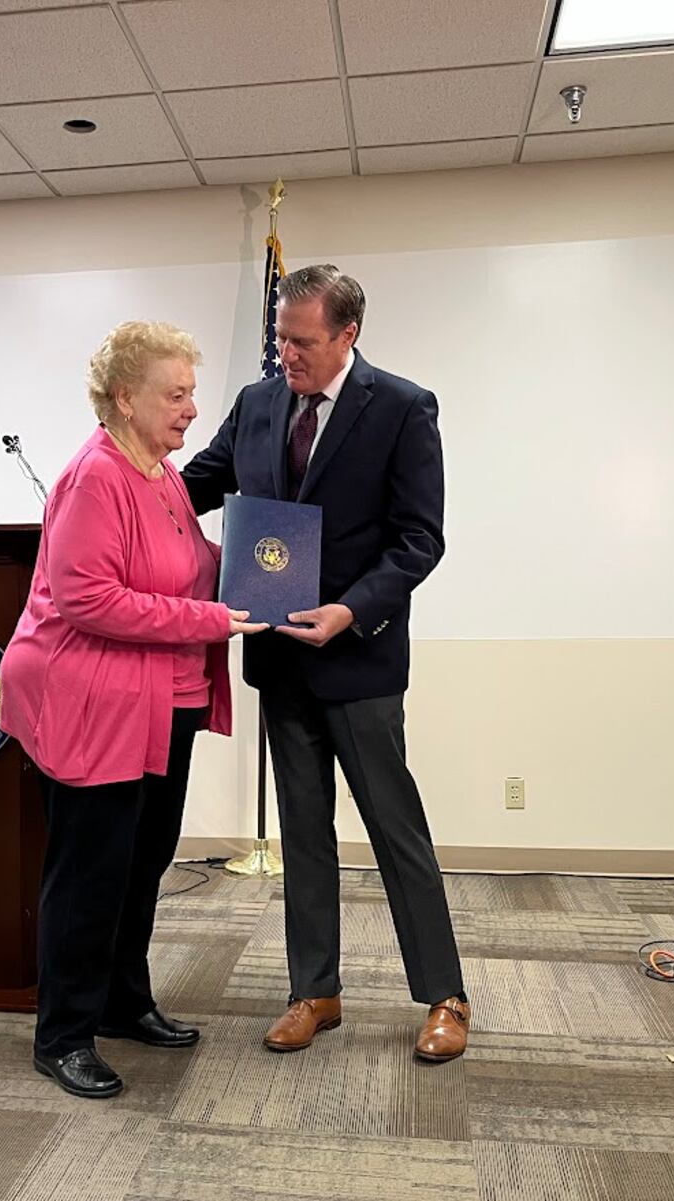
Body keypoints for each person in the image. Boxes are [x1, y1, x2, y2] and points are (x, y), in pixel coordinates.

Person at [182, 264, 469, 1062]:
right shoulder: (258, 403)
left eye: (302, 341)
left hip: (361, 661)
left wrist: (352, 608)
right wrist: (124, 479)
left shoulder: (404, 408)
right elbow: (197, 486)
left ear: (348, 335)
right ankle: (315, 989)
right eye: (281, 337)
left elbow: (421, 538)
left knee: (393, 829)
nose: (288, 354)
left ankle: (445, 994)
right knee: (303, 834)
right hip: (281, 662)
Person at [0, 320, 266, 1100]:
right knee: (89, 873)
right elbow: (88, 599)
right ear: (125, 397)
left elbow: (195, 564)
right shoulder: (97, 475)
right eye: (175, 393)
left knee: (141, 862)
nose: (190, 409)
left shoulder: (163, 475)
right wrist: (213, 620)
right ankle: (64, 1033)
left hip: (163, 698)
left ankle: (121, 1001)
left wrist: (266, 570)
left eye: (191, 392)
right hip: (92, 699)